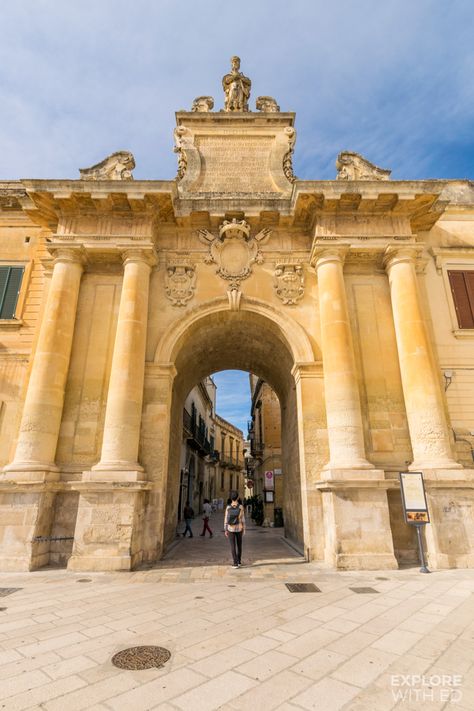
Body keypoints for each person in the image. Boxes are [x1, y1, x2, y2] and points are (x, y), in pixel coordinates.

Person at [224, 490, 245, 568]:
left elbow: (226, 519)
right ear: (238, 497)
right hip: (239, 528)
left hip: (230, 529)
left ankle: (235, 563)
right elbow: (243, 519)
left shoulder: (228, 507)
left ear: (231, 498)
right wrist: (244, 528)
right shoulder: (241, 507)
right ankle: (239, 561)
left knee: (232, 546)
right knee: (239, 545)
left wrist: (225, 529)